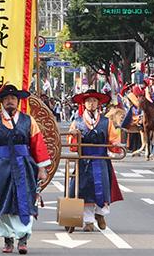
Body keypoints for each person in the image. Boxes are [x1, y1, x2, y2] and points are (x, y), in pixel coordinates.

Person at [0, 84, 52, 255]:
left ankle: (23, 239)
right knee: (0, 200)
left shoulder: (28, 120)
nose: (10, 101)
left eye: (13, 98)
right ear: (1, 102)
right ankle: (8, 239)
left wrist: (41, 168)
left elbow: (38, 144)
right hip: (2, 167)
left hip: (25, 166)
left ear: (18, 101)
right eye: (6, 99)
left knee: (25, 200)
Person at [67, 90, 123, 232]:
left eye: (94, 101)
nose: (91, 104)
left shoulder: (106, 122)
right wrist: (74, 137)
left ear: (98, 104)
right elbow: (72, 145)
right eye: (88, 101)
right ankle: (88, 221)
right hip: (84, 160)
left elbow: (114, 139)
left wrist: (115, 146)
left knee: (102, 188)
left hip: (101, 159)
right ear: (84, 104)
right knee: (83, 190)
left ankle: (100, 214)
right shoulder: (77, 122)